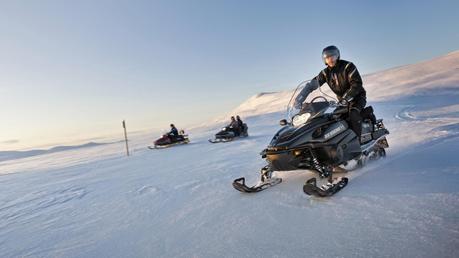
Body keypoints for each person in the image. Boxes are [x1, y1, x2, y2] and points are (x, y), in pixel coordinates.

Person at [294, 45, 366, 140]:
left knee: (353, 114)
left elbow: (356, 84)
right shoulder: (325, 73)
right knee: (333, 119)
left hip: (357, 98)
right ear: (324, 60)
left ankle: (358, 142)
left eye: (332, 56)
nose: (330, 60)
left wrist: (346, 97)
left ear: (337, 56)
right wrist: (299, 98)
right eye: (327, 58)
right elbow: (311, 85)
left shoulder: (348, 66)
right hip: (343, 102)